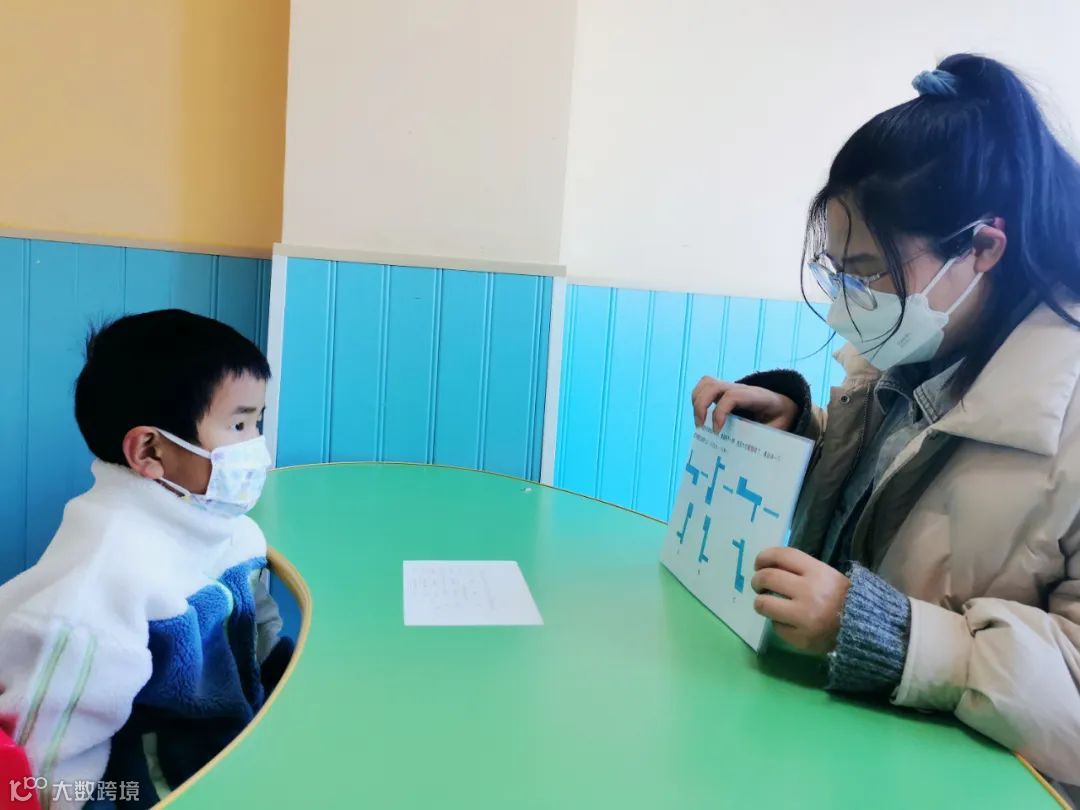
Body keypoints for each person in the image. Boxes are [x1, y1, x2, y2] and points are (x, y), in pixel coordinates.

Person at [692, 53, 1080, 788]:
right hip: (846, 751)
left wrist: (886, 635)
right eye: (837, 269)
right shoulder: (911, 350)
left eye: (868, 271)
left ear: (983, 248)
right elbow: (888, 508)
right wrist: (799, 440)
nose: (848, 299)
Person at [0, 309, 292, 809]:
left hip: (235, 757)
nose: (257, 449)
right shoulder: (104, 584)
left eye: (257, 422)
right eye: (239, 423)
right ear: (150, 451)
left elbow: (259, 638)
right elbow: (44, 770)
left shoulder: (228, 528)